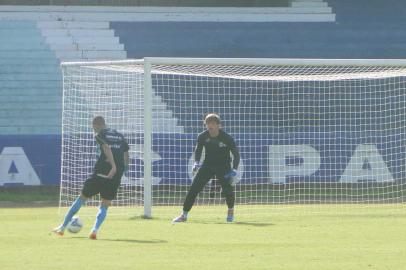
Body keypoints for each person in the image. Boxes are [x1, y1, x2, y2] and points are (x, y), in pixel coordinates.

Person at [53, 116, 129, 239]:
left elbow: (105, 147)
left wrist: (113, 166)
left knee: (82, 198)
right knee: (105, 204)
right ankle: (94, 230)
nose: (93, 130)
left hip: (101, 172)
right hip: (115, 176)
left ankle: (62, 228)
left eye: (93, 127)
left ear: (97, 125)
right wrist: (124, 169)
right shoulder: (119, 135)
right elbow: (126, 153)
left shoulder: (100, 134)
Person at [173, 113, 240, 223]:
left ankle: (230, 211)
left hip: (223, 166)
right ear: (205, 125)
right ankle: (184, 215)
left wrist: (234, 169)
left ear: (219, 125)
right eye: (208, 123)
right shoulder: (202, 136)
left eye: (213, 123)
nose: (210, 126)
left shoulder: (227, 138)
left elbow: (236, 154)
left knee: (228, 190)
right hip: (208, 165)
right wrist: (196, 162)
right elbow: (198, 150)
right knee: (194, 189)